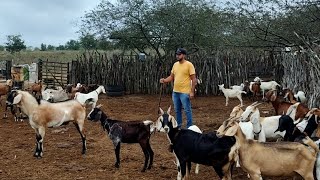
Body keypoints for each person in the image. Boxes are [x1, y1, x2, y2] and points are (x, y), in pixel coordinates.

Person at [160, 48, 197, 128]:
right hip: (175, 92)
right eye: (177, 54)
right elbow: (171, 77)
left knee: (187, 110)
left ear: (183, 55)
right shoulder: (175, 65)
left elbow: (194, 79)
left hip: (185, 92)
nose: (177, 56)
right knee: (177, 110)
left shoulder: (189, 65)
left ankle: (189, 126)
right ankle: (179, 126)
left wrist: (192, 91)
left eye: (179, 54)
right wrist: (165, 80)